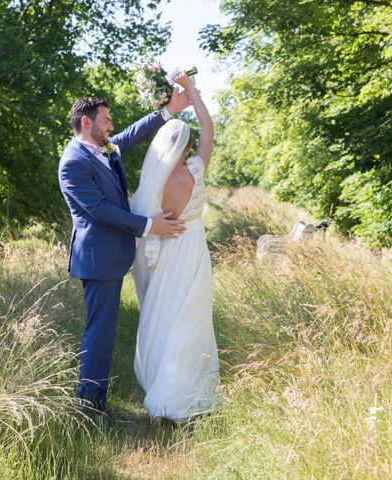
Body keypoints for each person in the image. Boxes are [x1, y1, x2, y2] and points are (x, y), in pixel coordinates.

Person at [58, 89, 190, 418]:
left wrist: (168, 110)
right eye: (106, 120)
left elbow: (132, 133)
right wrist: (148, 226)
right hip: (97, 258)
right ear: (87, 122)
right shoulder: (73, 162)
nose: (111, 125)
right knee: (99, 332)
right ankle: (89, 405)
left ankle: (95, 400)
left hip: (113, 256)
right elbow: (99, 210)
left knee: (104, 329)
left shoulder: (105, 148)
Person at [131, 71, 219, 422]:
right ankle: (186, 391)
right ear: (185, 147)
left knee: (163, 315)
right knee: (192, 317)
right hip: (193, 249)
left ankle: (161, 387)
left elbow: (144, 221)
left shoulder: (153, 184)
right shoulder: (195, 170)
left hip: (166, 251)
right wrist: (191, 92)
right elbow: (209, 129)